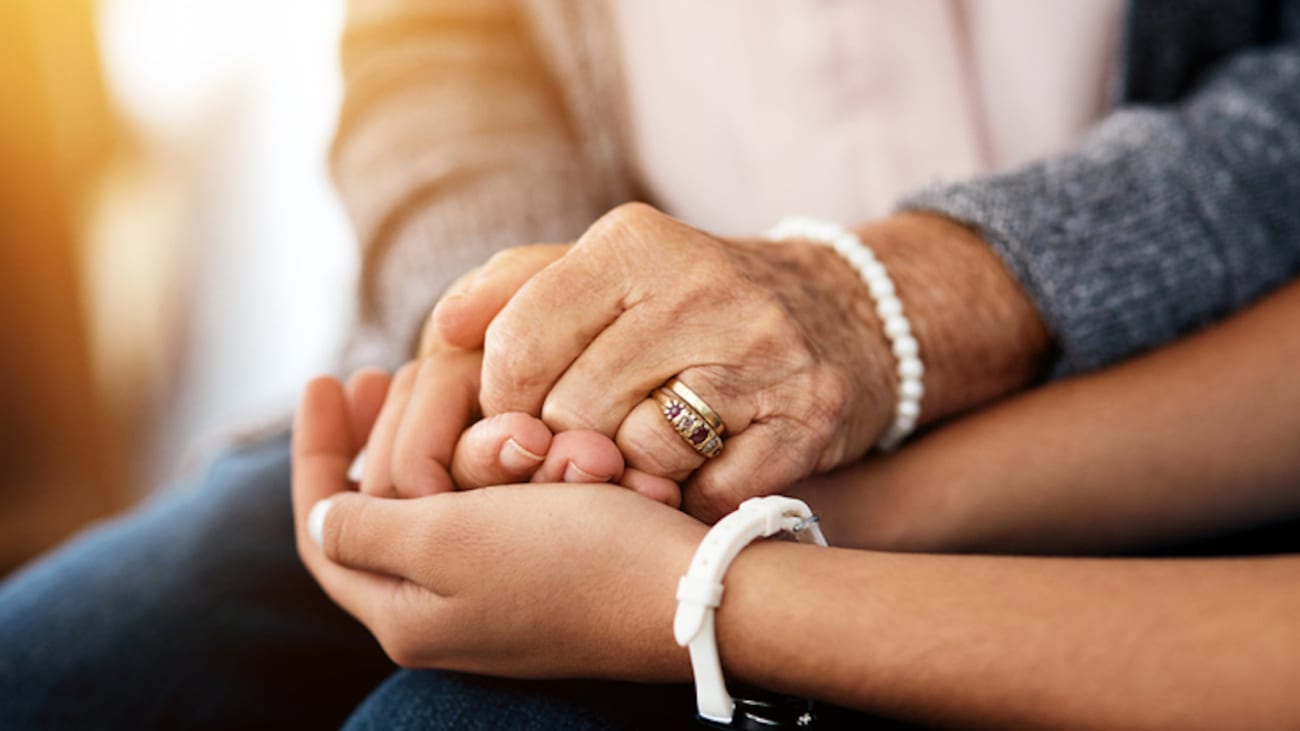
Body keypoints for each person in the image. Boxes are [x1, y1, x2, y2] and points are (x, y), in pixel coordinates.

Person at [3, 0, 1299, 728]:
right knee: (45, 672)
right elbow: (437, 39)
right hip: (613, 453)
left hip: (1152, 390)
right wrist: (527, 334)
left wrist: (896, 308)